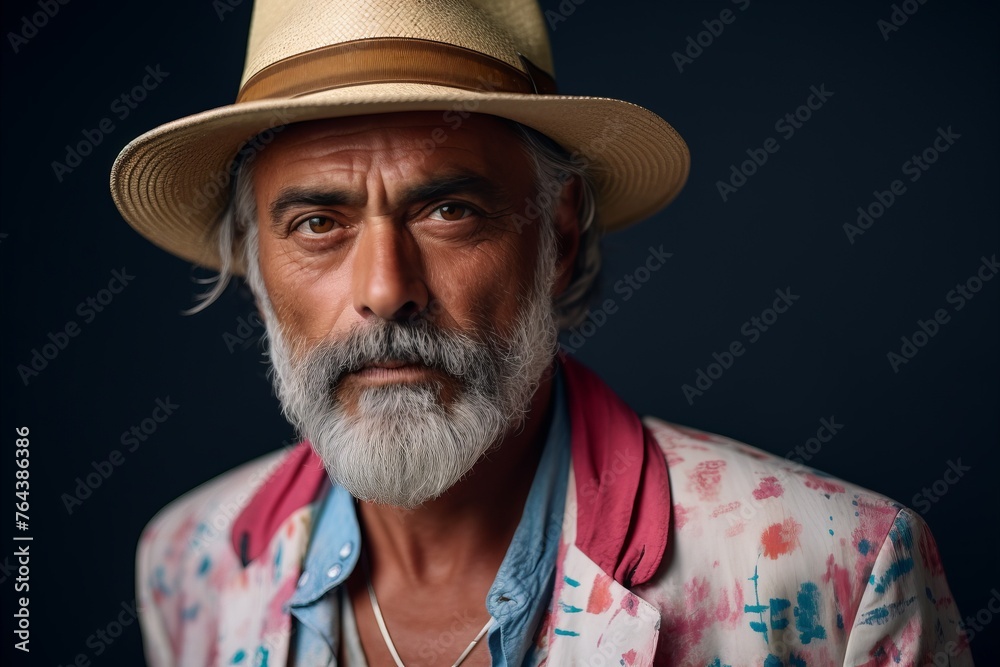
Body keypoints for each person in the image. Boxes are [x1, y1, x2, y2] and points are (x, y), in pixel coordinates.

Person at [110, 0, 972, 665]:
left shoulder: (839, 568)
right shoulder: (189, 562)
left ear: (556, 236)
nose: (385, 291)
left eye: (450, 209)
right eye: (316, 223)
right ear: (255, 263)